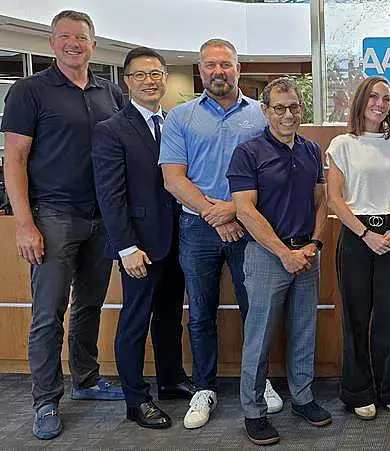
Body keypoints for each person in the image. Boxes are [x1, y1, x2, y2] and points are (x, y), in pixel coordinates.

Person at [1, 10, 125, 440]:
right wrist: (23, 224)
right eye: (65, 37)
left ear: (94, 43)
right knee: (48, 312)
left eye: (82, 37)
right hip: (52, 216)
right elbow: (13, 159)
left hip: (102, 217)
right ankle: (45, 400)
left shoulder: (111, 92)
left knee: (90, 305)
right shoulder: (29, 91)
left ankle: (87, 380)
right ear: (53, 43)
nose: (74, 43)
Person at [159, 38, 281, 430]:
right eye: (210, 65)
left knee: (255, 309)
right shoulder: (181, 117)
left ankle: (258, 383)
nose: (218, 72)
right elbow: (173, 178)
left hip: (251, 226)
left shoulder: (262, 117)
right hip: (198, 227)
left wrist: (234, 210)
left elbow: (274, 175)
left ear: (238, 68)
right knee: (201, 312)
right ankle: (204, 388)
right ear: (201, 69)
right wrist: (214, 212)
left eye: (225, 64)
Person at [92, 47, 195, 430]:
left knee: (170, 316)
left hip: (177, 239)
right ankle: (136, 399)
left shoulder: (175, 123)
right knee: (135, 321)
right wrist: (127, 247)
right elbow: (110, 195)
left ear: (165, 78)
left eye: (156, 74)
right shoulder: (110, 130)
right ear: (127, 81)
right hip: (139, 246)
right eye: (140, 75)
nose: (150, 81)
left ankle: (170, 379)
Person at [228, 77, 331, 445]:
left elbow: (322, 201)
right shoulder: (248, 152)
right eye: (280, 108)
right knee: (259, 337)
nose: (288, 115)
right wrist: (284, 253)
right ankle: (254, 412)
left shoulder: (311, 150)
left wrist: (314, 245)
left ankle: (302, 398)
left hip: (307, 254)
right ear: (265, 110)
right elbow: (245, 209)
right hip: (267, 256)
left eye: (294, 107)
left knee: (304, 330)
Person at [325, 76, 390, 421]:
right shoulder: (342, 144)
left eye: (386, 98)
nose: (380, 103)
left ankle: (388, 387)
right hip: (356, 237)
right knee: (355, 316)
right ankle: (357, 390)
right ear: (361, 100)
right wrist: (366, 234)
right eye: (374, 97)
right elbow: (334, 197)